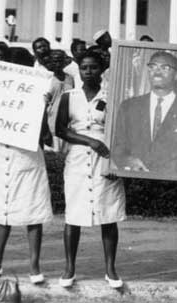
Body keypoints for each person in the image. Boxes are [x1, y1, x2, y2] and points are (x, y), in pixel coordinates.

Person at [55, 51, 126, 289]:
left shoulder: (112, 96)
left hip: (106, 158)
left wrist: (116, 162)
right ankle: (69, 268)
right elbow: (61, 130)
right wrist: (90, 141)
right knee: (74, 214)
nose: (88, 72)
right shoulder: (69, 96)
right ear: (79, 69)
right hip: (77, 158)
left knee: (108, 213)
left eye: (93, 67)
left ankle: (110, 269)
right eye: (84, 68)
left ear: (101, 69)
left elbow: (122, 129)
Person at [0, 47, 53, 285]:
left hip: (28, 156)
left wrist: (43, 108)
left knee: (32, 209)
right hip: (4, 152)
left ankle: (34, 266)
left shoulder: (38, 94)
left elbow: (46, 137)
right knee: (2, 210)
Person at [112, 51, 177, 175]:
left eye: (165, 68)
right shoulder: (128, 107)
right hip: (135, 185)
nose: (157, 72)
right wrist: (129, 161)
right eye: (152, 67)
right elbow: (118, 150)